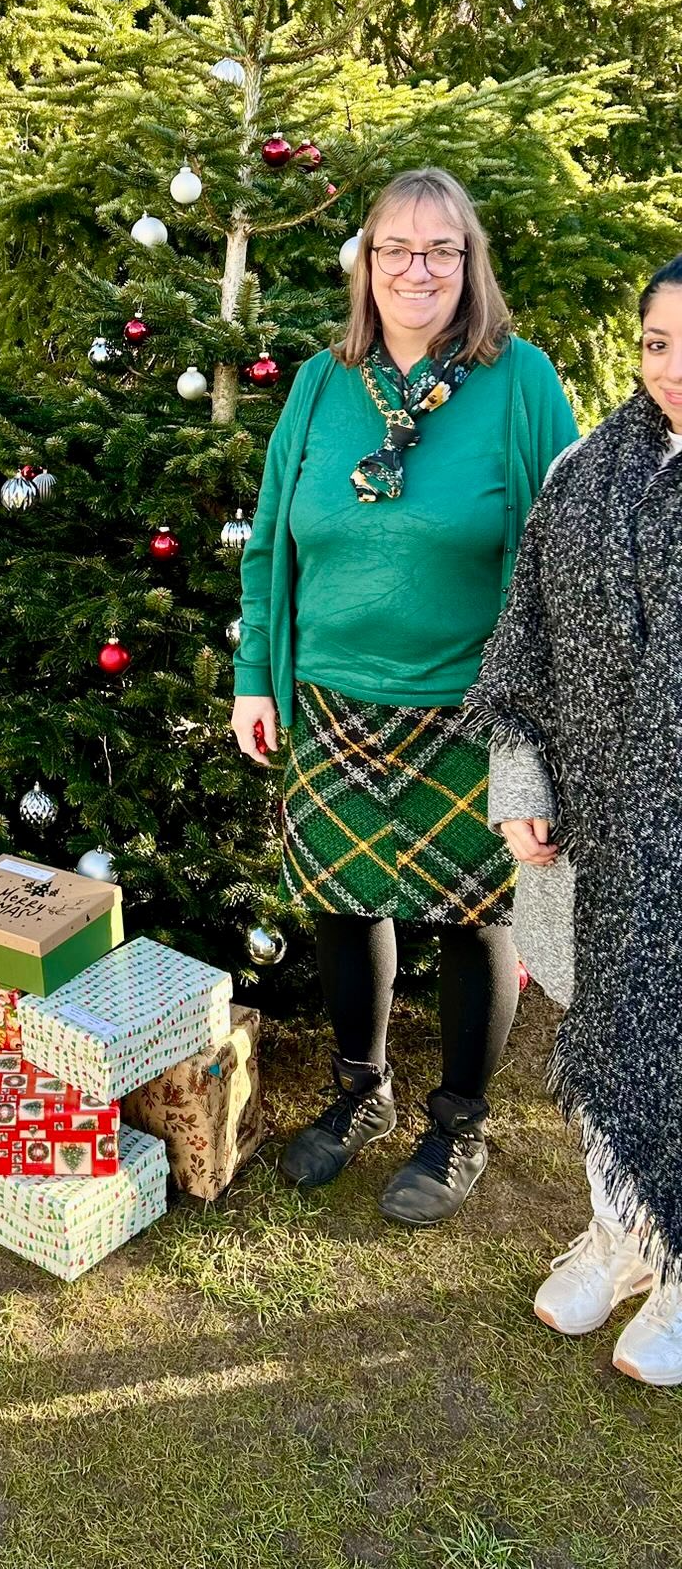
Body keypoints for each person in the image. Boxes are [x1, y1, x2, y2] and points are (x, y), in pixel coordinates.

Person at [230, 168, 577, 1224]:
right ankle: (359, 1090)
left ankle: (459, 1119)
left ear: (469, 266)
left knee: (475, 918)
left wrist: (549, 714)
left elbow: (564, 554)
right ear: (367, 265)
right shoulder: (323, 384)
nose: (416, 269)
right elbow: (267, 543)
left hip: (474, 705)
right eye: (395, 249)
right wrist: (256, 675)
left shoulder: (519, 382)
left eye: (440, 250)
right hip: (332, 694)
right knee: (344, 898)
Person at [469, 254, 682, 1384]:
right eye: (656, 343)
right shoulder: (581, 473)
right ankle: (624, 1233)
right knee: (597, 1030)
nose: (673, 368)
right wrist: (521, 788)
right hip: (583, 830)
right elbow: (523, 651)